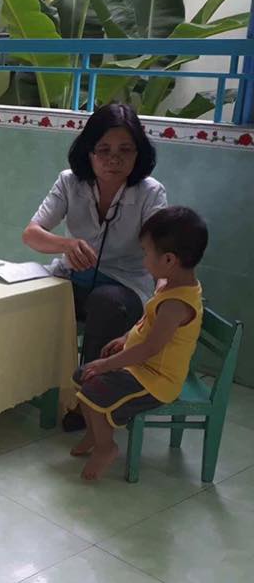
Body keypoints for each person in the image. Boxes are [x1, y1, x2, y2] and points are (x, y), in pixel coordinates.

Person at [23, 103, 166, 431]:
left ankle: (87, 398)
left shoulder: (150, 193)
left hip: (124, 288)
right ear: (88, 152)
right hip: (74, 277)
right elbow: (31, 234)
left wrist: (159, 305)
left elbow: (163, 256)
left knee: (107, 303)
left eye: (125, 150)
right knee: (27, 296)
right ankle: (20, 383)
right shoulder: (69, 182)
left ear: (138, 154)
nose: (114, 159)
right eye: (104, 150)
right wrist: (66, 245)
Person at [70, 206, 207, 480]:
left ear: (168, 259)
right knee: (82, 375)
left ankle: (106, 447)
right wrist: (124, 339)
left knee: (93, 389)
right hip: (141, 367)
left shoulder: (176, 305)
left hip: (156, 379)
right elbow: (147, 324)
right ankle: (95, 434)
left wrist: (107, 363)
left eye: (146, 253)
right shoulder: (168, 284)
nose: (143, 260)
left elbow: (150, 348)